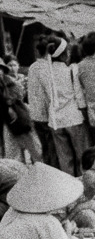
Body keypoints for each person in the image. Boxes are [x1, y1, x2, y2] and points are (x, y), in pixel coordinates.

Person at [27, 38, 91, 177]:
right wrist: (85, 113)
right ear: (63, 54)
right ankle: (84, 184)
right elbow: (79, 97)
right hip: (74, 118)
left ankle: (68, 189)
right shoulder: (71, 70)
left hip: (55, 121)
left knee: (64, 158)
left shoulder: (44, 72)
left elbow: (45, 97)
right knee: (82, 156)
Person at [25, 37, 60, 168]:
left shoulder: (33, 67)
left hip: (35, 113)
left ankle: (46, 169)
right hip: (45, 114)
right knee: (51, 147)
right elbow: (49, 91)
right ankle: (52, 170)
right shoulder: (46, 68)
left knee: (44, 146)